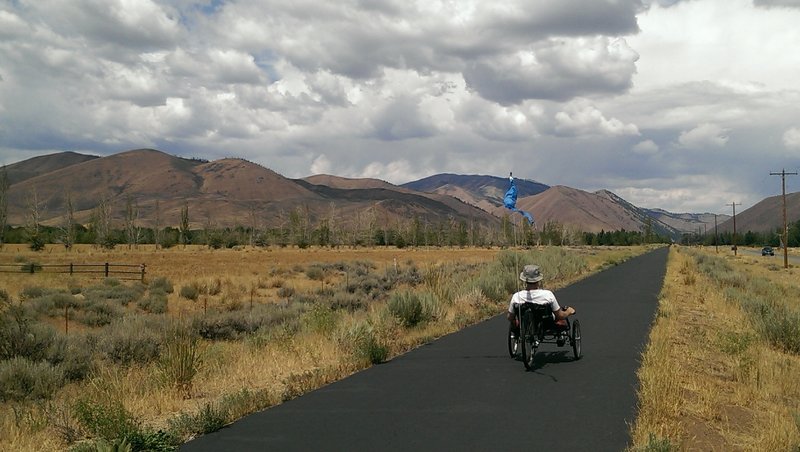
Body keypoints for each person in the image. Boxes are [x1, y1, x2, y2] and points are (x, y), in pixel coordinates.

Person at [507, 264, 576, 345]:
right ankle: (560, 335)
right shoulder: (547, 295)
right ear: (538, 280)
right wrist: (568, 311)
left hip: (525, 323)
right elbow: (560, 315)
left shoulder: (516, 296)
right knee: (559, 315)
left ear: (525, 280)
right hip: (546, 322)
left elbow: (510, 317)